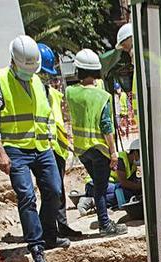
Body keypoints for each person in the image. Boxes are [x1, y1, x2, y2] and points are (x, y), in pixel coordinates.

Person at [0, 34, 68, 262]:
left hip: (42, 148)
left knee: (54, 190)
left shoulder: (38, 83)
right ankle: (37, 247)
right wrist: (0, 153)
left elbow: (46, 116)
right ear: (13, 61)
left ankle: (48, 235)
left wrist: (51, 142)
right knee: (26, 197)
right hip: (15, 149)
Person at [118, 22, 161, 221]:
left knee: (159, 169)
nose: (125, 51)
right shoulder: (152, 57)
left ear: (130, 41)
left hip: (159, 124)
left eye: (125, 46)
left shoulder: (143, 61)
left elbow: (151, 96)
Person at [67, 48, 125, 236]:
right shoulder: (102, 97)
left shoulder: (71, 92)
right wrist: (113, 152)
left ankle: (104, 221)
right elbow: (106, 126)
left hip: (82, 150)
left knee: (98, 185)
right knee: (100, 188)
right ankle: (105, 224)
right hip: (100, 149)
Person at [39, 43, 83, 240]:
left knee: (59, 189)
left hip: (58, 148)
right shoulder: (32, 93)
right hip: (43, 147)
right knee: (50, 191)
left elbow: (59, 120)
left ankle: (61, 225)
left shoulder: (53, 94)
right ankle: (48, 230)